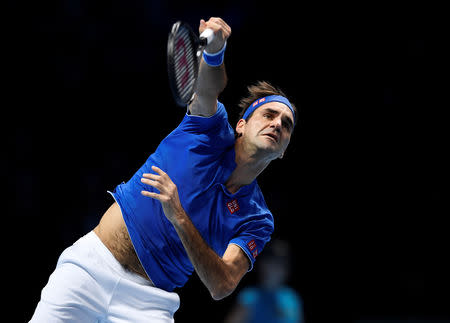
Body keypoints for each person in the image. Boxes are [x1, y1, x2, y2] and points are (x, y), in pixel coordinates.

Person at [30, 17, 298, 322]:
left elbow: (222, 284)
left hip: (149, 304)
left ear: (284, 151)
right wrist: (214, 53)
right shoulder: (207, 132)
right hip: (90, 269)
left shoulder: (257, 218)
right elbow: (208, 90)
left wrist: (180, 217)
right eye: (269, 114)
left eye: (286, 124)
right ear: (241, 125)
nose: (277, 123)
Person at [224, 240, 304, 323]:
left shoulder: (293, 298)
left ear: (286, 270)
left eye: (279, 264)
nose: (274, 269)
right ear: (262, 265)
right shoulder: (249, 297)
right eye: (270, 263)